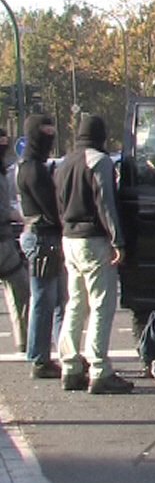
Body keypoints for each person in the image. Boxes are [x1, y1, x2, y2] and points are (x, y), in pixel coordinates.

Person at [54, 114, 133, 394]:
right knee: (102, 304)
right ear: (100, 136)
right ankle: (99, 369)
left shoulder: (64, 163)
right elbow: (106, 204)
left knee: (76, 303)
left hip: (69, 239)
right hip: (94, 240)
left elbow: (59, 204)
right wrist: (117, 240)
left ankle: (70, 366)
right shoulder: (99, 162)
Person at [17, 114, 68, 379]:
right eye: (45, 132)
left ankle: (61, 353)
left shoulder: (30, 166)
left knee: (57, 300)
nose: (50, 136)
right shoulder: (33, 170)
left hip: (42, 237)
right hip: (42, 238)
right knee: (45, 300)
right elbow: (50, 207)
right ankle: (39, 358)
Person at [0, 128, 30, 354]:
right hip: (3, 241)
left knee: (19, 290)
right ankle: (24, 340)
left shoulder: (4, 172)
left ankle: (24, 341)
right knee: (19, 290)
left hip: (5, 241)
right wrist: (12, 215)